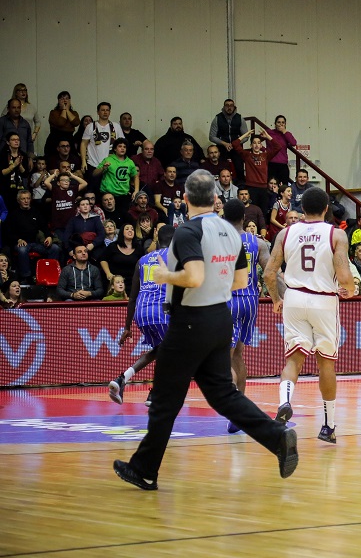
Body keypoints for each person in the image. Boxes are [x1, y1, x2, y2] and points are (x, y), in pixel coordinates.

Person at [113, 170, 299, 491]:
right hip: (220, 319)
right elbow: (241, 281)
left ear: (184, 199)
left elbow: (194, 276)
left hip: (190, 321)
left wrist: (164, 276)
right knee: (223, 395)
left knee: (165, 400)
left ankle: (144, 469)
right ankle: (277, 437)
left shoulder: (186, 232)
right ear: (215, 199)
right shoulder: (229, 231)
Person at [265, 187, 356, 444]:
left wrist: (276, 299)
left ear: (301, 209)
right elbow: (344, 274)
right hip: (323, 299)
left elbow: (269, 273)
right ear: (327, 208)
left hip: (294, 297)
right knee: (325, 362)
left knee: (293, 360)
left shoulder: (285, 232)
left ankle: (284, 402)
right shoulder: (336, 234)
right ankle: (328, 426)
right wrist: (349, 290)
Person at [221, 198, 272, 434]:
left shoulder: (218, 242)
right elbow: (271, 273)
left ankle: (235, 410)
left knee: (223, 357)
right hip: (250, 301)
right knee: (238, 355)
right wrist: (280, 298)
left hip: (228, 301)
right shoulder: (258, 243)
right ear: (245, 217)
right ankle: (241, 407)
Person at [110, 225, 176, 405]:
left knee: (159, 350)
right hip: (162, 311)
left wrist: (127, 327)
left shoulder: (143, 260)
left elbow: (132, 297)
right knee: (173, 352)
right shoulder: (174, 257)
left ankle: (122, 379)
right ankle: (154, 393)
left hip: (142, 312)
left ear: (157, 238)